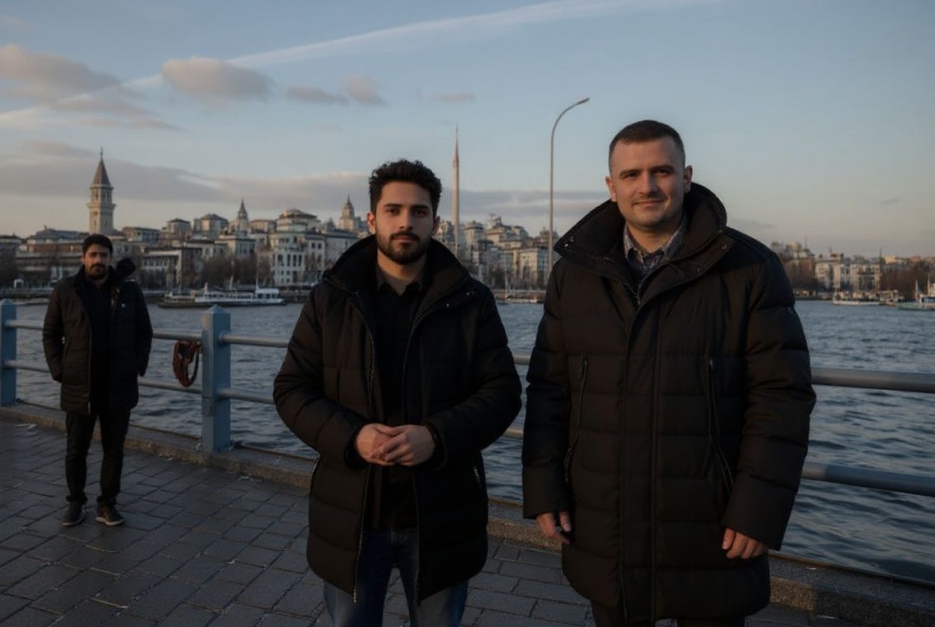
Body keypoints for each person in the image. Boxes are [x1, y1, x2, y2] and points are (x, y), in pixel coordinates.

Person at [522, 120, 815, 627]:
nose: (647, 186)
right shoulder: (575, 273)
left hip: (712, 525)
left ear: (687, 176)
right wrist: (544, 487)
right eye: (631, 175)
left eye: (661, 171)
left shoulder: (748, 268)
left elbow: (781, 397)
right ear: (611, 186)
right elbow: (551, 389)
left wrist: (758, 509)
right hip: (607, 524)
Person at [274, 159, 521, 626]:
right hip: (352, 512)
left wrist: (436, 437)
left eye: (418, 212)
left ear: (436, 222)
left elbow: (503, 392)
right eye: (393, 210)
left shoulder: (471, 301)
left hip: (441, 514)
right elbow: (291, 389)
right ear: (371, 220)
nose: (406, 222)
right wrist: (353, 438)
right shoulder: (330, 299)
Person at [43, 233, 153, 528]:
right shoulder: (66, 290)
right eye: (93, 255)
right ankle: (75, 501)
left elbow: (144, 332)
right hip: (79, 384)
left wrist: (138, 364)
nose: (98, 260)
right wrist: (59, 370)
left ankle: (107, 503)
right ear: (83, 258)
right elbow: (50, 334)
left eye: (103, 255)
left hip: (118, 384)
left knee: (113, 449)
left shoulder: (129, 291)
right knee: (75, 449)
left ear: (110, 259)